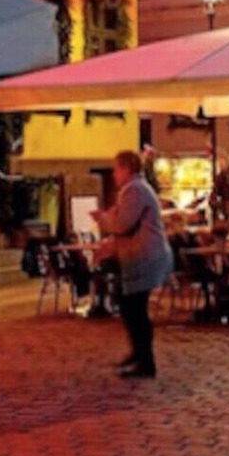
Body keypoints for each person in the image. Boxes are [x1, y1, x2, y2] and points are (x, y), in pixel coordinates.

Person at [92, 151, 174, 380]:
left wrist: (103, 219)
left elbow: (122, 225)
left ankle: (145, 361)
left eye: (117, 169)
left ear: (126, 168)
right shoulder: (135, 190)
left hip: (145, 259)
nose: (114, 174)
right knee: (132, 307)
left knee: (133, 308)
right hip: (142, 258)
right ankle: (139, 355)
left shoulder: (135, 190)